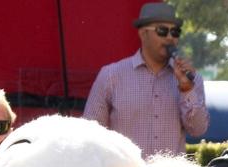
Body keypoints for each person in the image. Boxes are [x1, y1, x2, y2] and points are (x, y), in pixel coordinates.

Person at [83, 2, 208, 158]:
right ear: (143, 33)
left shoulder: (191, 78)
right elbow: (90, 131)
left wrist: (186, 88)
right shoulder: (111, 75)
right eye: (162, 31)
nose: (170, 37)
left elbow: (198, 130)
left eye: (175, 32)